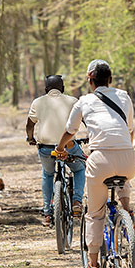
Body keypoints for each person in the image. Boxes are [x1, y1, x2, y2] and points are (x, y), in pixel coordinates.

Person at [55, 60, 135, 268]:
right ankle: (128, 212)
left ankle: (92, 267)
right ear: (110, 79)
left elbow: (70, 131)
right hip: (129, 159)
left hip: (100, 160)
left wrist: (59, 149)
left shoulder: (84, 101)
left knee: (95, 213)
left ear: (90, 80)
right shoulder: (125, 97)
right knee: (123, 176)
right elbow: (129, 130)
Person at [26, 74, 86, 227]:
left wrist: (30, 138)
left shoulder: (38, 102)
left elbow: (30, 125)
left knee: (47, 174)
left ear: (46, 89)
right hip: (69, 147)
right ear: (63, 88)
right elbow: (85, 120)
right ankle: (77, 201)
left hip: (46, 149)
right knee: (79, 169)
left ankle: (47, 213)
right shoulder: (73, 101)